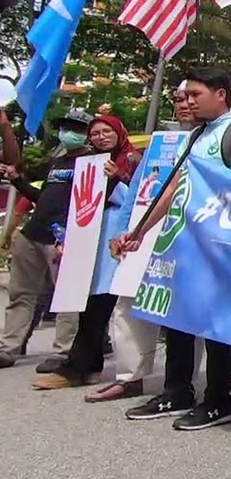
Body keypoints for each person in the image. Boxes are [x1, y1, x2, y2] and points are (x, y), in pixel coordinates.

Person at [114, 67, 231, 431]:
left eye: (195, 94)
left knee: (215, 325)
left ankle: (219, 400)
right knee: (177, 318)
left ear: (220, 94)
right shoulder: (195, 136)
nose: (188, 101)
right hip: (183, 242)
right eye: (186, 95)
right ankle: (177, 390)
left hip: (220, 246)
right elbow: (174, 186)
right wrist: (141, 231)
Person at [33, 115, 142, 392]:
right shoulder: (88, 164)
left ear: (120, 132)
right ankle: (88, 365)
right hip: (89, 236)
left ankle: (79, 366)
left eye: (107, 131)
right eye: (95, 133)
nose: (101, 137)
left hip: (117, 237)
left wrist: (116, 179)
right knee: (89, 302)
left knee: (101, 304)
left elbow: (141, 197)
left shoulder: (131, 160)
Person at [106, 82, 193, 406]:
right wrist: (124, 229)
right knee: (127, 305)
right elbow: (137, 189)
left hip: (181, 236)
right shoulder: (159, 142)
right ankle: (129, 377)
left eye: (191, 97)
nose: (184, 103)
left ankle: (182, 383)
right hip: (143, 235)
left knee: (181, 313)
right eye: (179, 97)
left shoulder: (216, 139)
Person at [0, 109, 96, 370]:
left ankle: (63, 351)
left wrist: (69, 235)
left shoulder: (93, 163)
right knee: (21, 294)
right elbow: (41, 198)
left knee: (66, 298)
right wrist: (18, 181)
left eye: (75, 128)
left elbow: (89, 204)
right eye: (65, 127)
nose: (68, 133)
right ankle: (9, 347)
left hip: (62, 238)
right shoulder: (58, 162)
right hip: (34, 232)